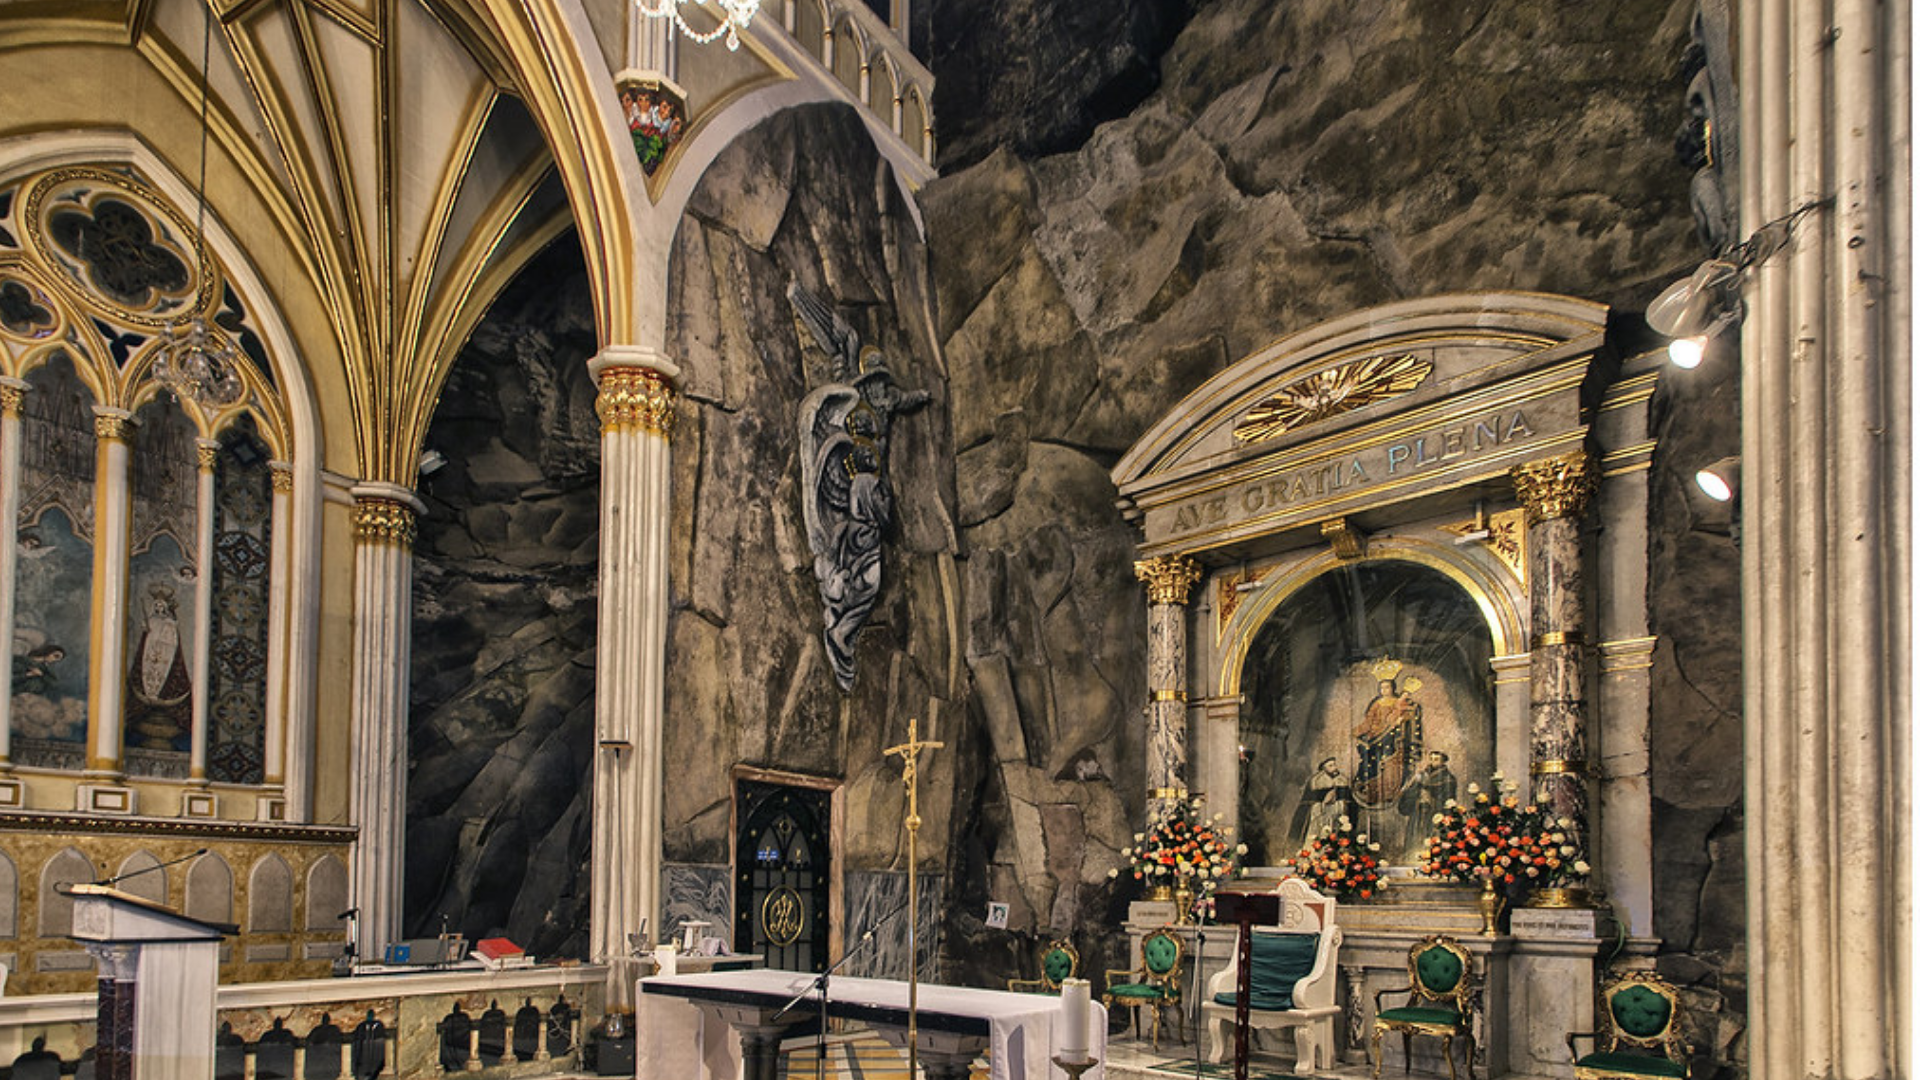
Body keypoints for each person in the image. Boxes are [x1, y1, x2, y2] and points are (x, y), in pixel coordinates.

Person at [1397, 749, 1459, 853]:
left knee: (1433, 840)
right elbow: (1410, 792)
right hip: (1418, 813)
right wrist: (1416, 794)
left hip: (1435, 814)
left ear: (1443, 761)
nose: (1433, 762)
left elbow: (1448, 800)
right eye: (1431, 759)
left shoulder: (1448, 779)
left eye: (1436, 759)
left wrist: (1431, 798)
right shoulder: (1421, 776)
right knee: (1415, 838)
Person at [1289, 756, 1353, 846]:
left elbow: (1348, 800)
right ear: (1324, 768)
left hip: (1337, 814)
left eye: (1334, 765)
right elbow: (1308, 802)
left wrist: (1340, 803)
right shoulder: (1316, 781)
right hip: (1320, 814)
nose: (1334, 767)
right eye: (1330, 766)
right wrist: (1324, 802)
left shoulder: (1342, 780)